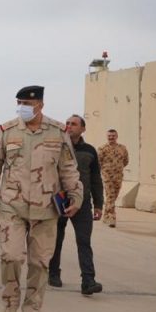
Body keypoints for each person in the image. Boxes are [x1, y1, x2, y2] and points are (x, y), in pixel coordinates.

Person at [0, 85, 82, 312]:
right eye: (19, 103)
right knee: (11, 257)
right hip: (12, 206)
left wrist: (76, 195)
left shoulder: (58, 131)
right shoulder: (7, 130)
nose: (22, 108)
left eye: (27, 104)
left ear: (40, 105)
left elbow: (68, 168)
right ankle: (9, 304)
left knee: (40, 264)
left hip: (46, 209)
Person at [48, 115, 104, 295]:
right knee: (56, 239)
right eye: (67, 123)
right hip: (60, 199)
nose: (69, 126)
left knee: (84, 240)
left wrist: (98, 204)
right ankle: (53, 273)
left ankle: (88, 280)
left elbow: (96, 178)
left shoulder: (90, 151)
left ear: (83, 129)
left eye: (73, 124)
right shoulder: (57, 146)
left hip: (82, 202)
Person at [98, 129, 130, 227]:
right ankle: (111, 218)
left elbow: (126, 161)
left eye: (113, 136)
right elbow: (98, 162)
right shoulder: (102, 148)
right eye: (109, 136)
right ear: (107, 137)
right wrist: (106, 170)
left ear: (116, 136)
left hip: (118, 176)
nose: (111, 137)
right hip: (107, 176)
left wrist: (118, 168)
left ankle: (106, 216)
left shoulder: (122, 148)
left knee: (113, 197)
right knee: (111, 196)